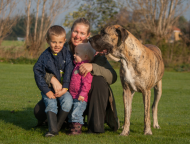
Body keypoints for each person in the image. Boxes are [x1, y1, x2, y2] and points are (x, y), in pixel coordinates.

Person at [34, 18, 119, 134]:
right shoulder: (61, 47)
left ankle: (95, 126)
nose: (78, 36)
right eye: (76, 32)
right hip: (65, 95)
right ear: (71, 31)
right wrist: (52, 79)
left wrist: (93, 67)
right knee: (39, 111)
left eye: (82, 33)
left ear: (88, 35)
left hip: (84, 99)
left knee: (99, 80)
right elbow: (42, 68)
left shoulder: (95, 52)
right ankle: (65, 121)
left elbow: (112, 76)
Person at [33, 25, 74, 137]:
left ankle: (57, 127)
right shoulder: (44, 56)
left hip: (63, 89)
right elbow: (38, 72)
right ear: (47, 41)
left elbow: (69, 71)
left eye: (60, 42)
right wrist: (46, 91)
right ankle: (52, 130)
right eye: (54, 42)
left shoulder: (67, 55)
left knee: (68, 101)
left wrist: (65, 88)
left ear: (64, 41)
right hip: (49, 89)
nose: (57, 45)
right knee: (51, 103)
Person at [67, 43, 95, 135]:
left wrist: (83, 94)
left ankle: (77, 129)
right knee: (72, 112)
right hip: (73, 96)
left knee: (77, 113)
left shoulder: (84, 68)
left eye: (77, 53)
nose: (74, 55)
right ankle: (71, 128)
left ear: (85, 56)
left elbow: (87, 83)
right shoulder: (77, 65)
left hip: (80, 97)